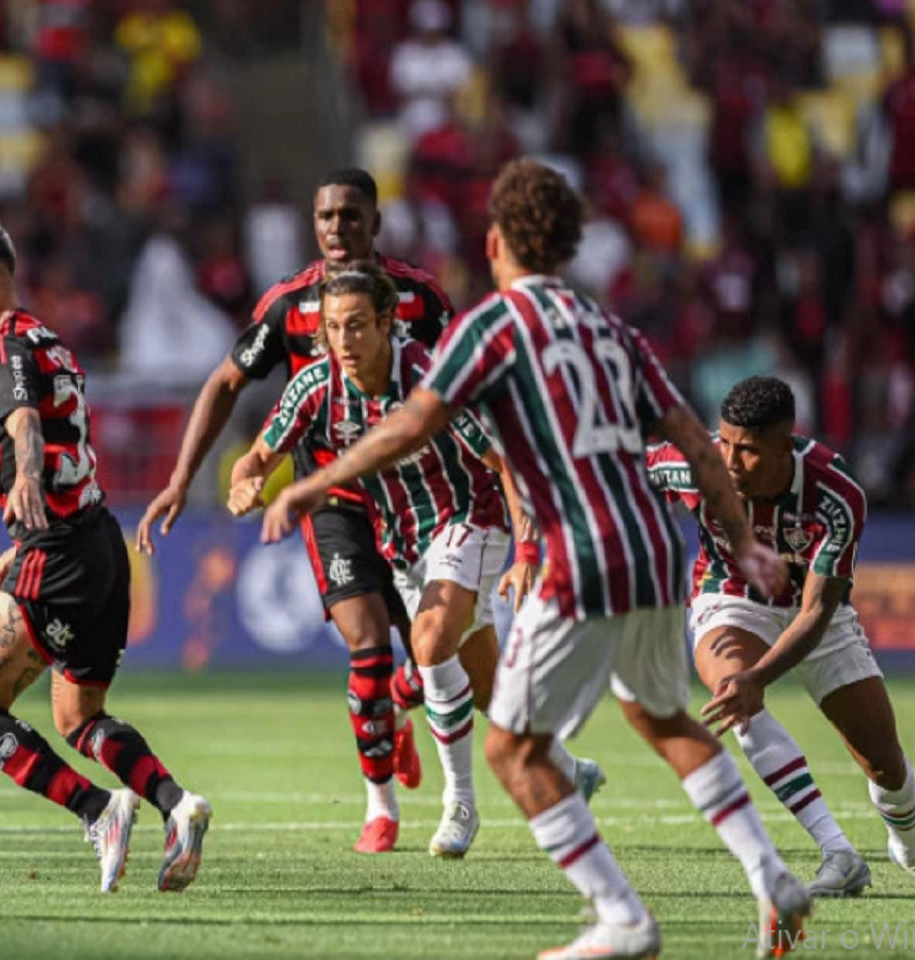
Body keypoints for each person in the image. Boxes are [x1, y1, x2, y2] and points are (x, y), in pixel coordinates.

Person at [260, 159, 812, 960]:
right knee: (661, 717)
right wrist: (743, 541)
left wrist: (318, 483)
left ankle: (621, 917)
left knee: (513, 751)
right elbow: (695, 441)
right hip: (655, 549)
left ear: (494, 243)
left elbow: (411, 424)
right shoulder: (610, 329)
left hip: (577, 548)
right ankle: (771, 875)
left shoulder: (492, 327)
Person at [228, 262, 598, 858]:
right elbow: (257, 458)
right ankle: (567, 767)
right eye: (332, 328)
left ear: (386, 323)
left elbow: (503, 462)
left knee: (427, 642)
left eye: (356, 326)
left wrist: (527, 550)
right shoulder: (317, 386)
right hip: (400, 541)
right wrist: (244, 485)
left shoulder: (431, 379)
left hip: (469, 517)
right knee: (486, 689)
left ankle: (460, 804)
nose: (344, 341)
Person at [138, 168, 454, 853]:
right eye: (326, 218)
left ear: (375, 220)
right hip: (333, 499)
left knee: (439, 657)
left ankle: (398, 711)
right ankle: (381, 808)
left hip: (418, 501)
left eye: (350, 216)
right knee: (368, 650)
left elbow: (469, 386)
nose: (337, 229)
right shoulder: (289, 306)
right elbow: (225, 382)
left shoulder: (422, 298)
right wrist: (183, 477)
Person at [0, 218, 210, 894]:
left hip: (58, 554)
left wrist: (26, 480)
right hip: (97, 544)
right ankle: (177, 806)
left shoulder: (2, 349)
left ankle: (97, 811)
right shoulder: (45, 339)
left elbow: (25, 422)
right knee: (77, 719)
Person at [648, 376, 915, 896]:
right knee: (733, 691)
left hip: (813, 617)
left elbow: (817, 610)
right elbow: (617, 475)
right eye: (725, 443)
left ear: (785, 446)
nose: (731, 461)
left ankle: (912, 846)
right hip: (731, 598)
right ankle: (838, 851)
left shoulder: (837, 493)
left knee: (882, 757)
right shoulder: (697, 462)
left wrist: (761, 676)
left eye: (748, 450)